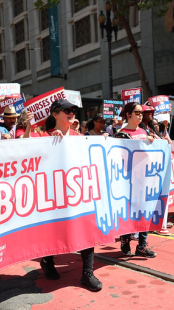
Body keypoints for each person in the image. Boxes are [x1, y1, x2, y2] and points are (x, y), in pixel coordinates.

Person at [38, 99, 102, 292]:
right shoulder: (45, 136)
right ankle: (47, 260)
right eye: (66, 109)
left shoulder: (79, 136)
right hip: (55, 194)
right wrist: (51, 144)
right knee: (54, 231)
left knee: (86, 230)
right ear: (55, 114)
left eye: (73, 109)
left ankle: (87, 273)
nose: (71, 112)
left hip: (79, 193)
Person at [115, 102, 156, 258]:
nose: (140, 115)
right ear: (128, 115)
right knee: (129, 212)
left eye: (141, 113)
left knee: (145, 211)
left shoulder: (144, 130)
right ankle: (125, 240)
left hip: (145, 179)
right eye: (137, 112)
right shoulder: (121, 133)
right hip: (128, 181)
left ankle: (142, 246)